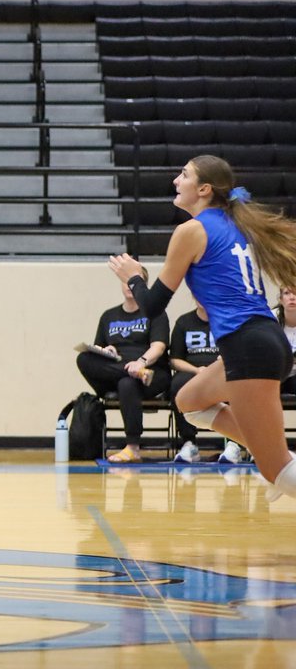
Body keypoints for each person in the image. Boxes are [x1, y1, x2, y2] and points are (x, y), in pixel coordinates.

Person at [108, 155, 296, 498]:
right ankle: (278, 458)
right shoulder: (238, 223)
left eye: (184, 174)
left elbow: (152, 306)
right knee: (189, 401)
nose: (176, 181)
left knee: (276, 469)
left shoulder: (191, 231)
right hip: (266, 341)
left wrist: (134, 277)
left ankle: (280, 464)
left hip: (248, 346)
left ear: (204, 189)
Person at [75, 267, 171, 463]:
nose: (129, 285)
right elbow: (98, 349)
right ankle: (132, 373)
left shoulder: (156, 314)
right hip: (117, 370)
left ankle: (132, 448)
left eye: (133, 280)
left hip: (152, 372)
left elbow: (159, 347)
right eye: (125, 280)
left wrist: (141, 363)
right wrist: (107, 350)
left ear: (143, 286)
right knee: (83, 358)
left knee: (127, 383)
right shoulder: (108, 316)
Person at [169, 303, 244, 463]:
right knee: (177, 385)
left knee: (234, 383)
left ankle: (234, 444)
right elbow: (175, 359)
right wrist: (197, 370)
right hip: (193, 371)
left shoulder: (226, 319)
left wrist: (215, 369)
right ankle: (189, 443)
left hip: (221, 369)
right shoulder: (184, 322)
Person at [274, 287, 296, 395]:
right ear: (281, 299)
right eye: (287, 293)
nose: (292, 297)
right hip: (274, 374)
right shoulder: (270, 318)